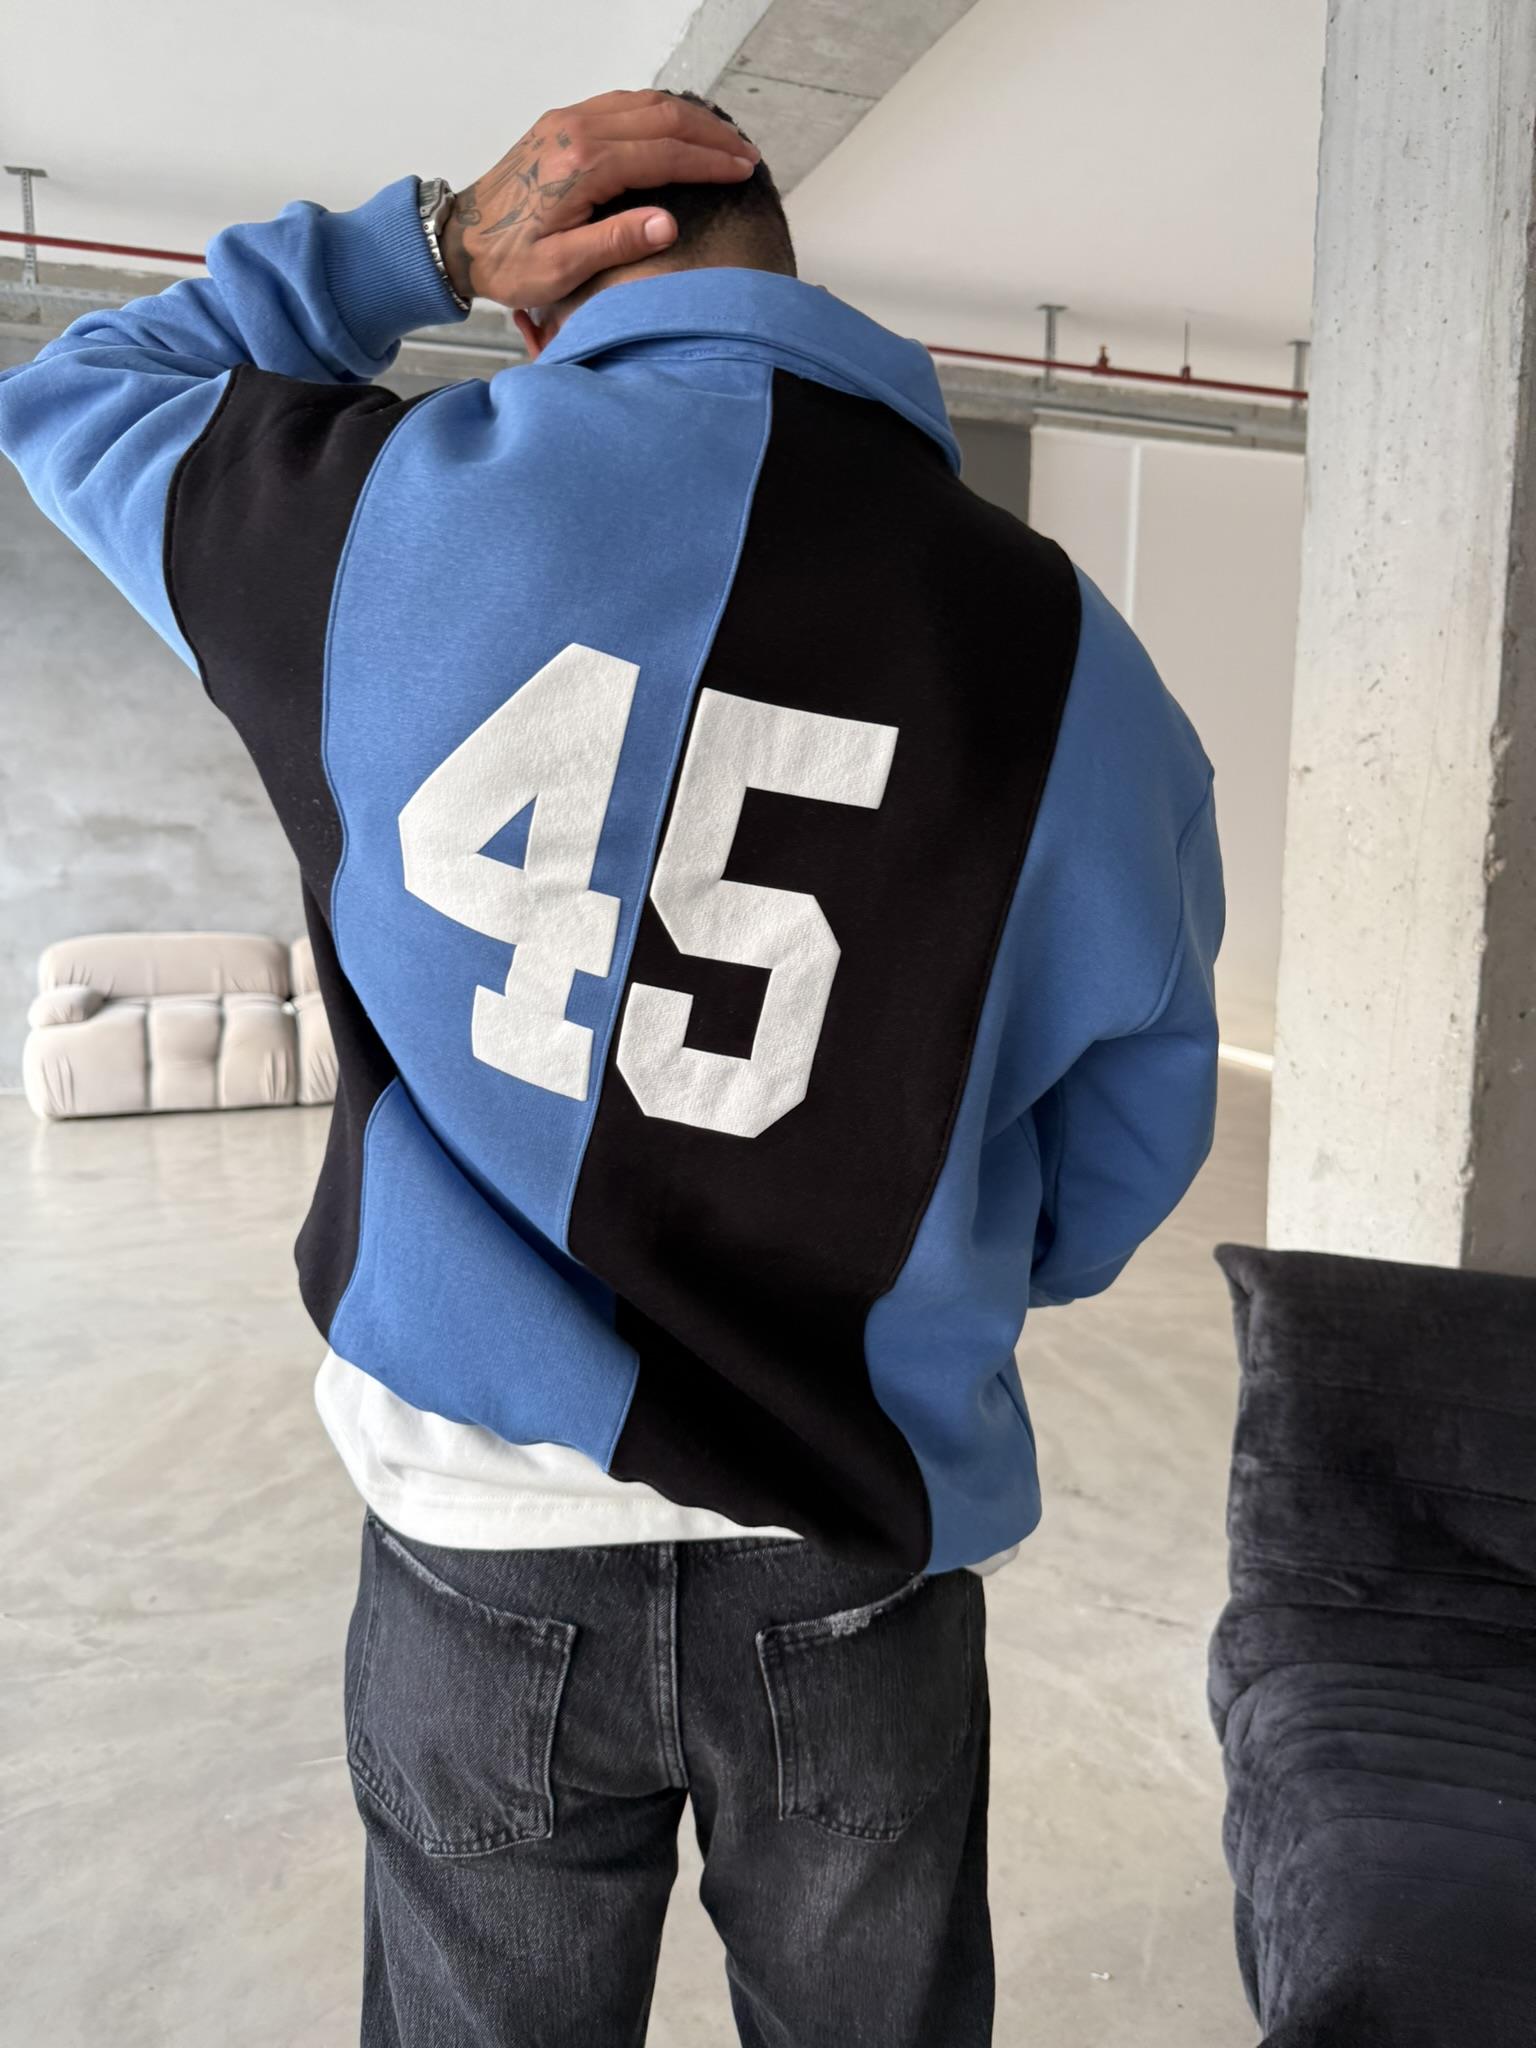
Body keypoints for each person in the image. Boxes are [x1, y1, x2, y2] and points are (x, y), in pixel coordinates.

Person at [0, 87, 1223, 2048]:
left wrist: (414, 241)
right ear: (797, 281)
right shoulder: (1074, 653)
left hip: (480, 1544)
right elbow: (1136, 1115)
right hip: (854, 1538)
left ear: (540, 293)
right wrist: (955, 1265)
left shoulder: (370, 520)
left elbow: (78, 387)